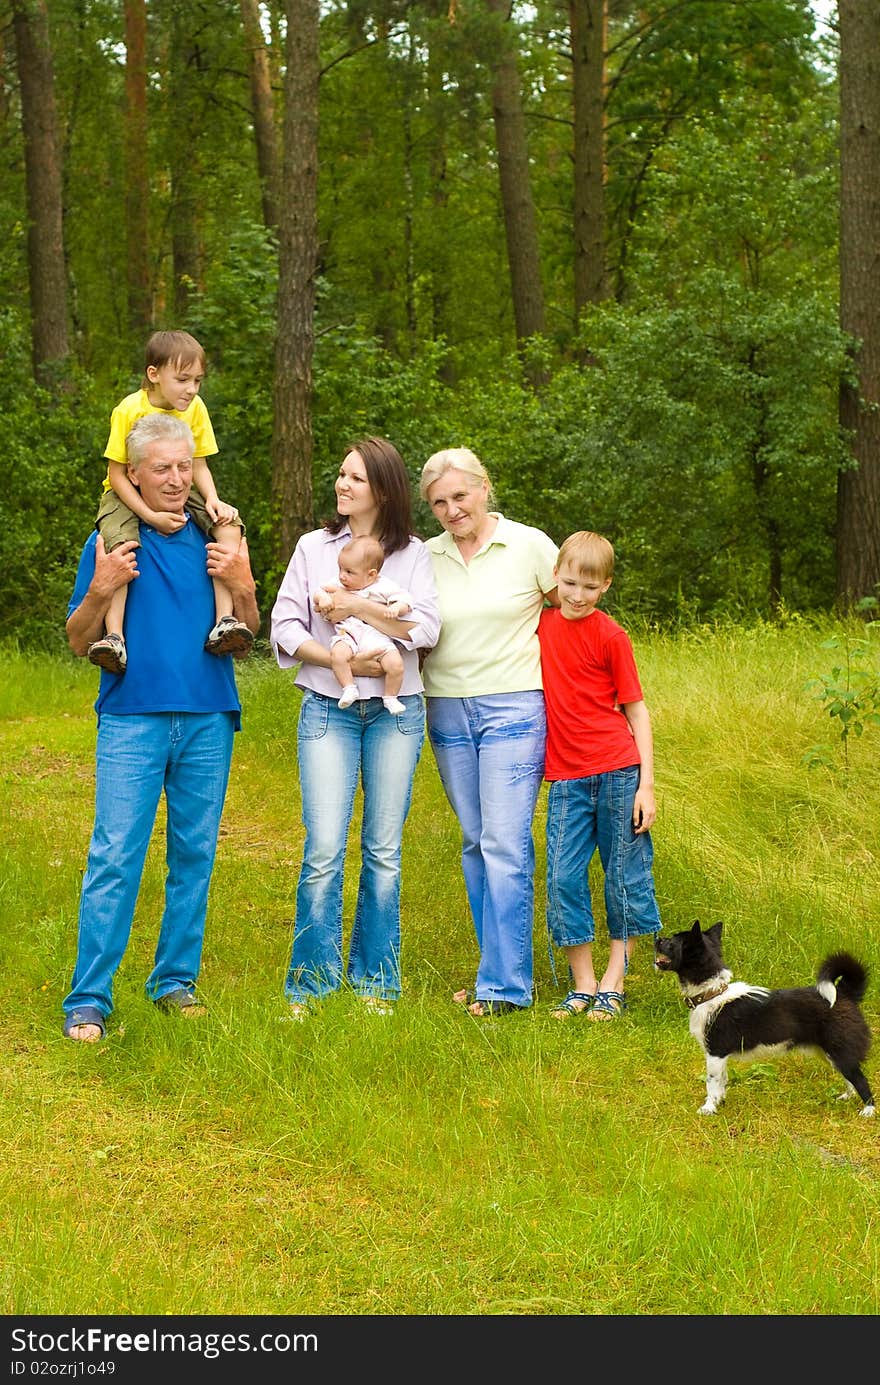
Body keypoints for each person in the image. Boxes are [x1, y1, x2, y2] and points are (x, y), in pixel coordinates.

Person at [61, 413, 260, 1042]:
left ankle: (174, 982)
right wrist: (100, 590)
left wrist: (242, 582)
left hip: (207, 715)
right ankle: (89, 998)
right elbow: (76, 640)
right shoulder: (113, 541)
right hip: (131, 718)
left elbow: (246, 633)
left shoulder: (213, 536)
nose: (176, 480)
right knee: (116, 856)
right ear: (134, 476)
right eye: (162, 469)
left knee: (194, 857)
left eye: (184, 466)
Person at [270, 436, 440, 1018]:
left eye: (355, 478)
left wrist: (356, 610)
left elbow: (426, 629)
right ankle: (311, 984)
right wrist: (341, 661)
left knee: (383, 850)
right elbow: (285, 628)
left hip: (397, 714)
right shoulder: (313, 548)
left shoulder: (413, 554)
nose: (342, 485)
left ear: (384, 490)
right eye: (340, 475)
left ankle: (376, 983)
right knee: (323, 847)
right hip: (328, 708)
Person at [419, 447, 559, 1017]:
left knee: (505, 843)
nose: (453, 510)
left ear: (484, 488)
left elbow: (573, 613)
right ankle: (494, 969)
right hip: (447, 711)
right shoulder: (423, 556)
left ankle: (506, 987)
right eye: (439, 503)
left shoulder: (530, 545)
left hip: (515, 708)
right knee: (476, 842)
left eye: (461, 496)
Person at [537, 530, 661, 1021]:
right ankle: (582, 982)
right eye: (569, 583)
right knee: (564, 878)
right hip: (565, 778)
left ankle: (615, 980)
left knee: (623, 878)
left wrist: (646, 786)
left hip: (617, 771)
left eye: (590, 588)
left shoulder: (611, 636)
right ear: (555, 577)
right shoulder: (541, 626)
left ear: (606, 586)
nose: (578, 596)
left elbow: (637, 712)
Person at [87, 329, 253, 675]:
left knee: (228, 525)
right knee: (121, 545)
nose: (191, 389)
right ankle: (114, 637)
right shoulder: (129, 409)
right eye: (182, 380)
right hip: (124, 492)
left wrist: (214, 501)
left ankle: (225, 620)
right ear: (154, 375)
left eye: (197, 381)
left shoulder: (196, 408)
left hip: (183, 483)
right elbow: (117, 474)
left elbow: (201, 464)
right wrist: (150, 515)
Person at [314, 533, 414, 715]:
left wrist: (397, 608)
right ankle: (348, 687)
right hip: (348, 633)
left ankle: (391, 697)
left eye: (349, 572)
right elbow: (319, 592)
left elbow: (405, 600)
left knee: (396, 664)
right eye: (341, 569)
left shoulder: (383, 586)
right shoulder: (338, 584)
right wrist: (323, 600)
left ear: (371, 575)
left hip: (376, 636)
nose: (342, 576)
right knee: (338, 655)